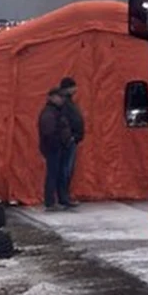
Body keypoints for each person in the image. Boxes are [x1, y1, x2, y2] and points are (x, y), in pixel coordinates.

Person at [38, 85, 75, 211]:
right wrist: (59, 142)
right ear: (51, 97)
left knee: (60, 174)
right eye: (59, 97)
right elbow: (48, 132)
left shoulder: (57, 111)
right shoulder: (49, 112)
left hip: (60, 147)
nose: (62, 99)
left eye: (62, 97)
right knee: (53, 175)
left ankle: (61, 199)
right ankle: (50, 202)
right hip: (54, 148)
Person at [56, 77, 84, 206]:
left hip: (72, 139)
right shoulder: (64, 103)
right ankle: (63, 197)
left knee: (67, 169)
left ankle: (65, 196)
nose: (75, 89)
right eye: (73, 87)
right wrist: (70, 137)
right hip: (68, 140)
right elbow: (64, 122)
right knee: (65, 169)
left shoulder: (68, 102)